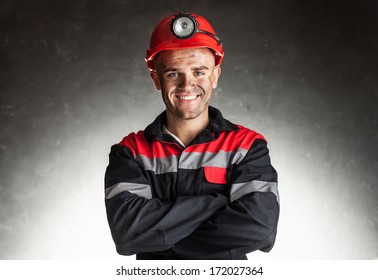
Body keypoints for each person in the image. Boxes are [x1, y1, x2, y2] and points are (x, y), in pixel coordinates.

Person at [104, 12, 279, 260]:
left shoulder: (247, 146)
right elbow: (128, 235)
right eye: (173, 73)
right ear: (156, 79)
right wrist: (217, 202)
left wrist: (162, 240)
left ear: (215, 76)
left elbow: (260, 230)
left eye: (199, 72)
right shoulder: (130, 152)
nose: (187, 85)